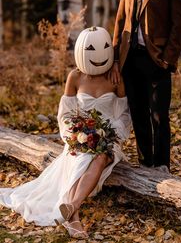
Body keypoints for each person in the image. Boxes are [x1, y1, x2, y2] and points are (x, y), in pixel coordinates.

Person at [0, 26, 132, 238]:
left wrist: (110, 134)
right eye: (90, 48)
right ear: (80, 50)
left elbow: (123, 115)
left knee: (100, 158)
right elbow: (65, 115)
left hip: (109, 137)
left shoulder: (115, 77)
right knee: (79, 161)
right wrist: (73, 135)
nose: (97, 54)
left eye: (104, 47)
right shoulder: (75, 77)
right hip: (81, 137)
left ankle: (71, 208)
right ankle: (73, 218)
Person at [110, 0, 181, 170]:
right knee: (138, 114)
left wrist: (167, 60)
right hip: (130, 59)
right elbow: (121, 20)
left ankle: (162, 167)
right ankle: (146, 165)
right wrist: (115, 59)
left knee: (159, 116)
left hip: (156, 59)